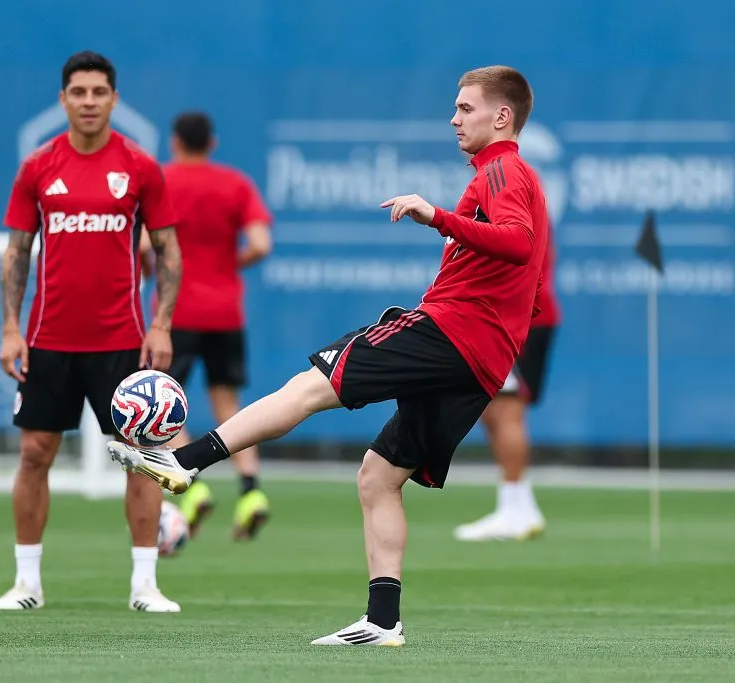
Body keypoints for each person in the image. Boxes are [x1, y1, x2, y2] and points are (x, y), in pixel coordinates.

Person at [107, 65, 549, 645]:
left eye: (465, 108)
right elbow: (532, 284)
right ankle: (383, 621)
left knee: (311, 385)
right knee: (379, 477)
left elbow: (516, 245)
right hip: (481, 359)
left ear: (501, 117)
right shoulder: (512, 177)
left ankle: (184, 461)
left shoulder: (502, 170)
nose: (454, 117)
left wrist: (435, 216)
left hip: (451, 333)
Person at [0, 51, 184, 613]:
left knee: (141, 456)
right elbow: (16, 252)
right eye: (79, 92)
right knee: (34, 454)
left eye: (99, 92)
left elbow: (169, 251)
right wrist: (9, 328)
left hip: (123, 340)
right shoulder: (38, 168)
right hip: (48, 338)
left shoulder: (141, 167)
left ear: (114, 99)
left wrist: (162, 324)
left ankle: (145, 585)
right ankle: (27, 583)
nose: (90, 101)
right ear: (64, 100)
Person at [143, 111, 273, 541]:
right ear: (212, 143)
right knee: (228, 403)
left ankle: (192, 486)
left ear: (175, 142)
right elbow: (260, 243)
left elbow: (145, 246)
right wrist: (227, 266)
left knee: (165, 406)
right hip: (224, 310)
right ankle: (251, 490)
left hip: (175, 312)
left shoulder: (161, 181)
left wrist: (156, 271)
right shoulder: (234, 183)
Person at [454, 213, 560, 542]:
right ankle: (519, 505)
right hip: (517, 315)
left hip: (521, 317)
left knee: (506, 409)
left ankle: (515, 507)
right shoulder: (519, 199)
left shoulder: (514, 200)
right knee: (494, 409)